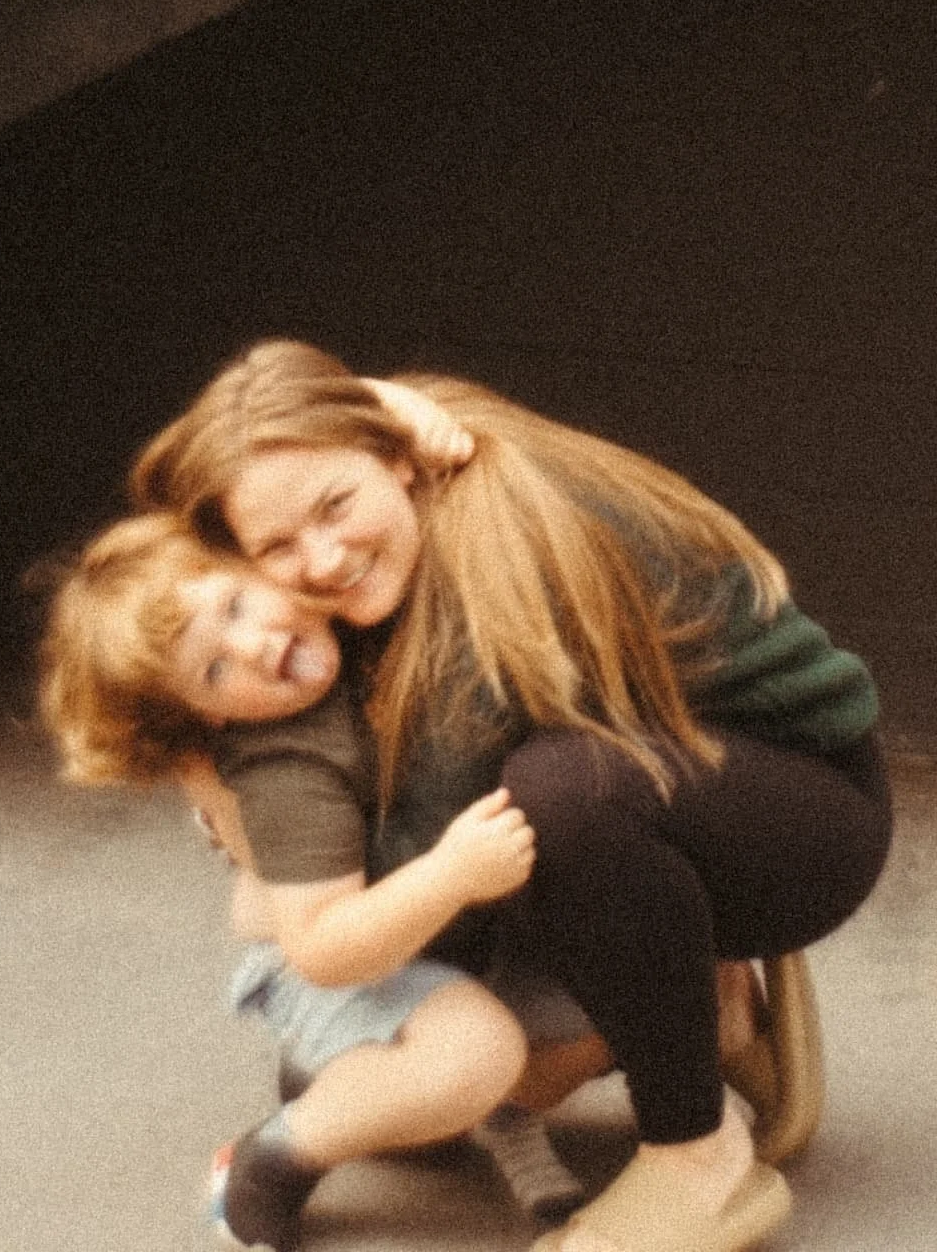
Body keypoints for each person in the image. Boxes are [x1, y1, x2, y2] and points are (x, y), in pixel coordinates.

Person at [130, 340, 894, 1252]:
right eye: (278, 548)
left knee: (555, 799)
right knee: (372, 1077)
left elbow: (424, 894)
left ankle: (698, 1158)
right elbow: (198, 561)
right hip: (674, 794)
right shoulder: (413, 465)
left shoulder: (493, 567)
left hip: (800, 816)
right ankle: (716, 1019)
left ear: (398, 461)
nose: (324, 558)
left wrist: (281, 897)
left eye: (336, 506)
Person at [38, 511, 582, 1251]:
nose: (255, 645)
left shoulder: (355, 619)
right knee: (476, 1053)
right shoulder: (284, 767)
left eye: (234, 605)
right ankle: (278, 1157)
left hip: (445, 934)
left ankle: (410, 1093)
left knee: (671, 991)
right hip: (333, 959)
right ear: (206, 717)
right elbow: (328, 948)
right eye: (215, 670)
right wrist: (452, 873)